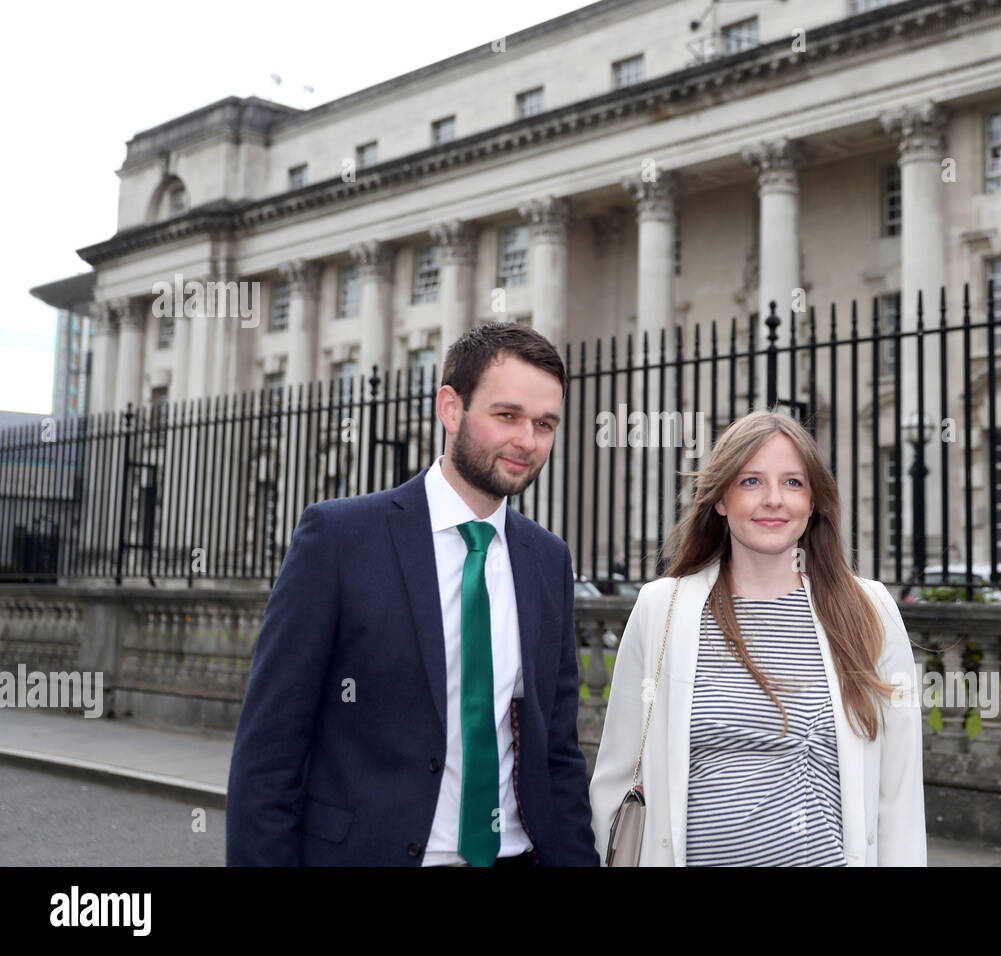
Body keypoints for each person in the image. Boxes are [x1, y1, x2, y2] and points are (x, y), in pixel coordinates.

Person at [227, 322, 598, 866]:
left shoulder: (547, 559)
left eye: (545, 424)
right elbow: (268, 752)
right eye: (507, 416)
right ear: (451, 408)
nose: (528, 441)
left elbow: (558, 752)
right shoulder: (339, 538)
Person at [589, 410, 926, 866]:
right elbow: (616, 776)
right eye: (750, 481)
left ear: (813, 502)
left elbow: (899, 791)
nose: (774, 500)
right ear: (721, 499)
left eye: (793, 482)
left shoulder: (869, 608)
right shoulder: (661, 608)